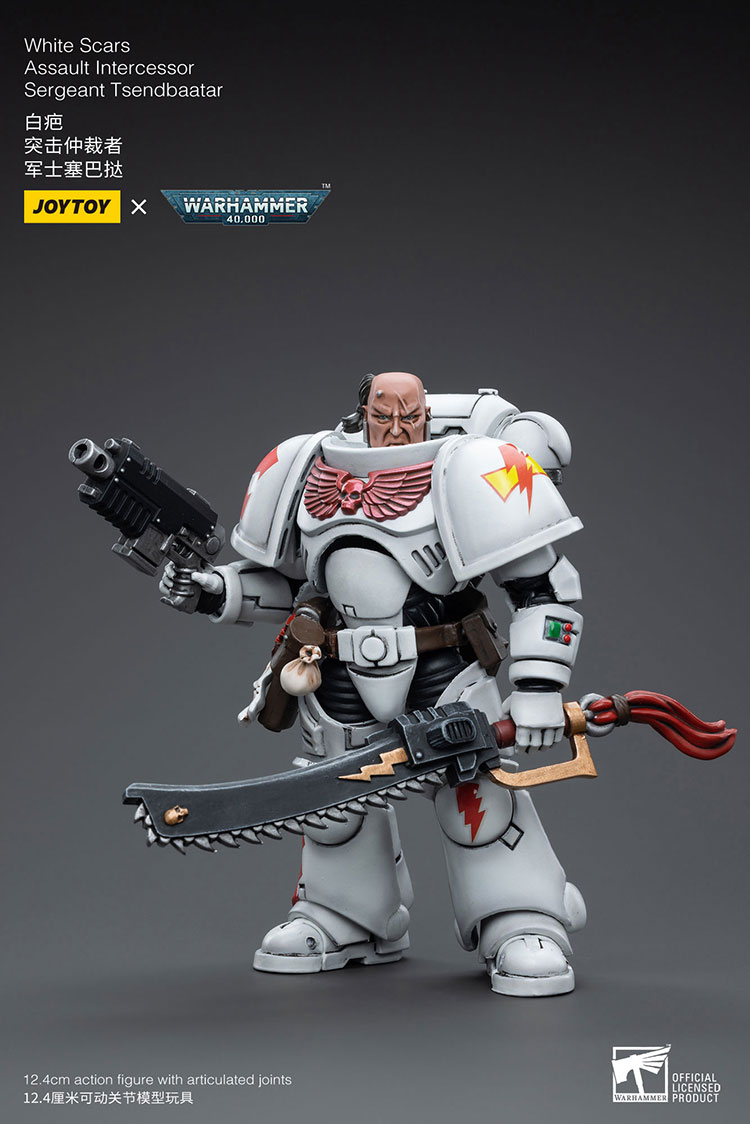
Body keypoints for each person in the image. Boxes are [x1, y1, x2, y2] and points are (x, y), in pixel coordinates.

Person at [161, 371, 587, 996]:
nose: (395, 428)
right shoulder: (308, 468)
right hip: (335, 668)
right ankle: (345, 915)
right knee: (333, 802)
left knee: (476, 797)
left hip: (442, 664)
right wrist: (216, 591)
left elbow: (543, 588)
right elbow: (288, 583)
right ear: (362, 412)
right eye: (382, 415)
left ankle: (520, 914)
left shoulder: (469, 467)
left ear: (426, 414)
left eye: (408, 415)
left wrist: (539, 688)